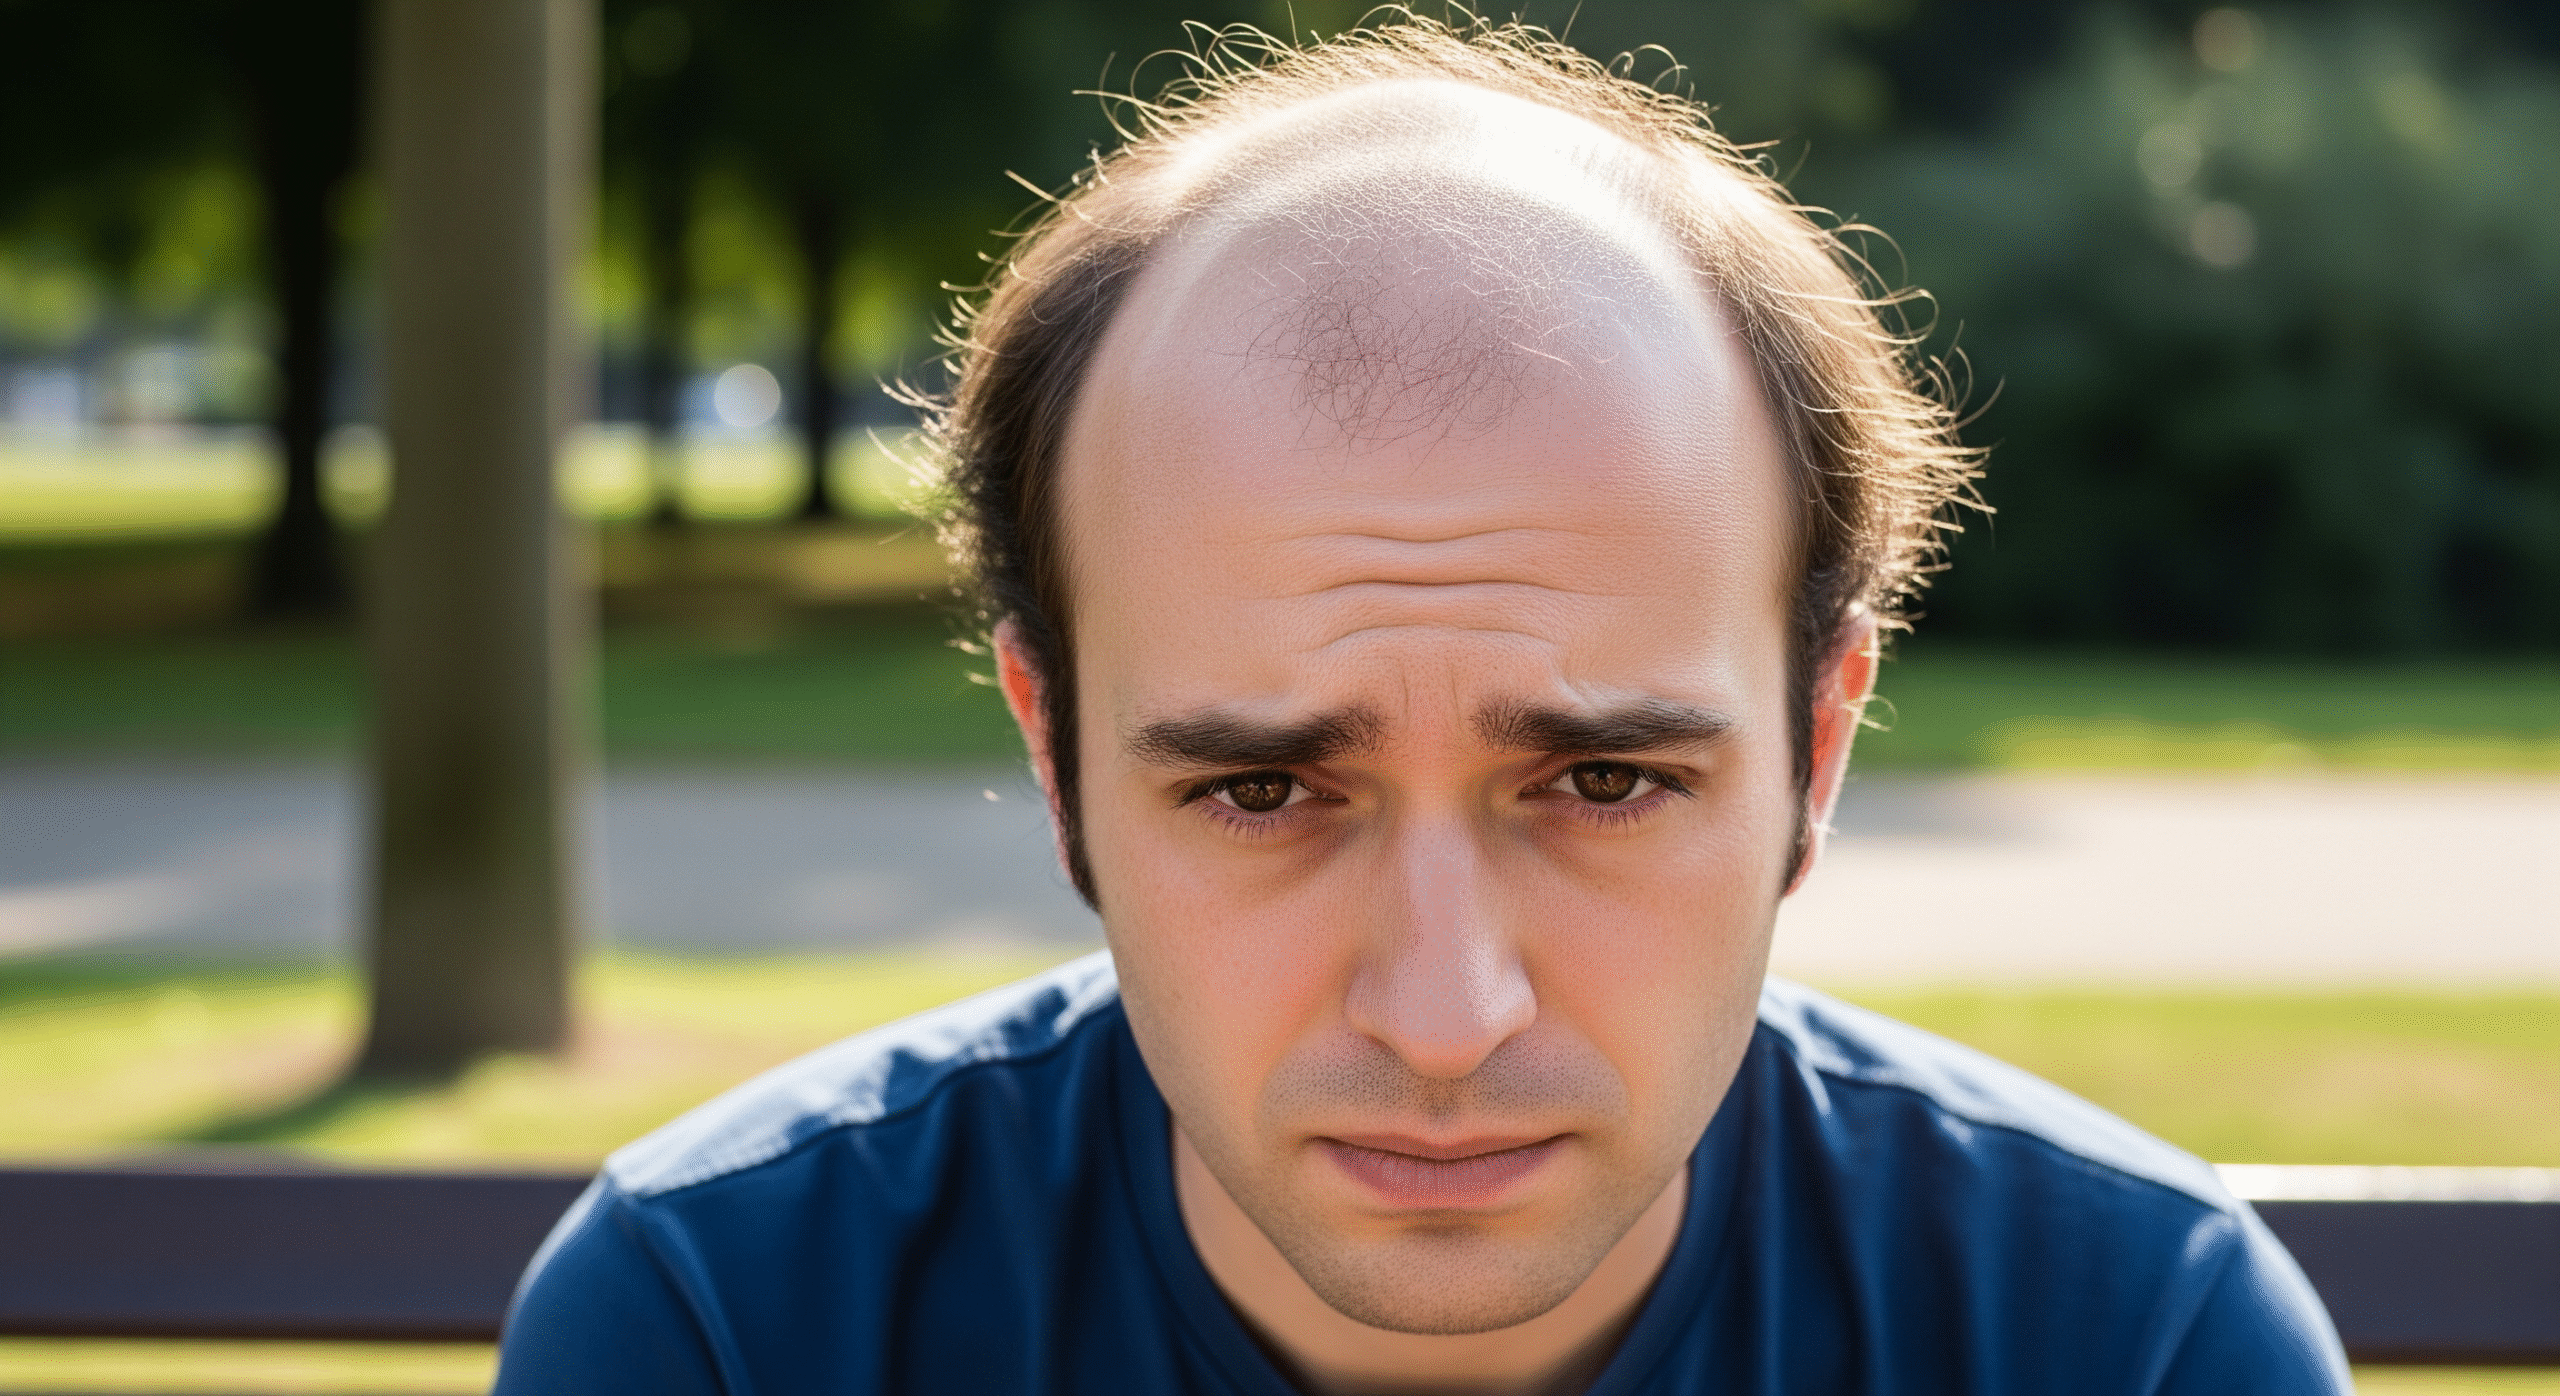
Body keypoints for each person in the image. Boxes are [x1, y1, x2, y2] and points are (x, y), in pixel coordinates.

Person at [494, 18, 2349, 1394]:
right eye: (1259, 792)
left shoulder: (2130, 1341)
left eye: (1607, 779)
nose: (1448, 1016)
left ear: (1822, 742)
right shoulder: (724, 1330)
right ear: (1054, 756)